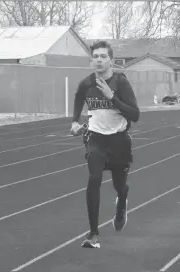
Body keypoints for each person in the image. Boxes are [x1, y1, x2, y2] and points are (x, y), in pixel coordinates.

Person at [70, 40, 140, 248]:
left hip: (119, 141)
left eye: (103, 56)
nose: (99, 60)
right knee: (94, 178)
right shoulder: (86, 83)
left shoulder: (121, 83)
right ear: (91, 60)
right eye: (95, 57)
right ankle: (94, 234)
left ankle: (121, 205)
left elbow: (135, 115)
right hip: (95, 138)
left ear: (111, 60)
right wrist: (75, 122)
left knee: (120, 186)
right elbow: (78, 99)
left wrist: (112, 97)